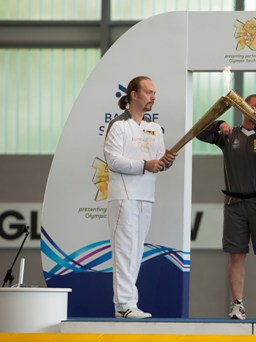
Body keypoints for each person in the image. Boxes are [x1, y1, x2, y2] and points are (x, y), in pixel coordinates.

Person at [196, 94, 256, 320]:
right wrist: (219, 124)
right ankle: (238, 304)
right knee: (236, 255)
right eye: (254, 106)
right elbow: (199, 131)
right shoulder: (230, 134)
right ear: (244, 108)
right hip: (234, 202)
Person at [104, 76, 177, 319]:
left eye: (154, 92)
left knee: (135, 253)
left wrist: (165, 162)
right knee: (124, 251)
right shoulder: (118, 126)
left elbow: (159, 162)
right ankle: (124, 305)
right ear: (133, 95)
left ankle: (127, 305)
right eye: (148, 92)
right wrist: (147, 164)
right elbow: (113, 162)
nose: (153, 97)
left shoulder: (154, 129)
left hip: (147, 196)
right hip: (124, 196)